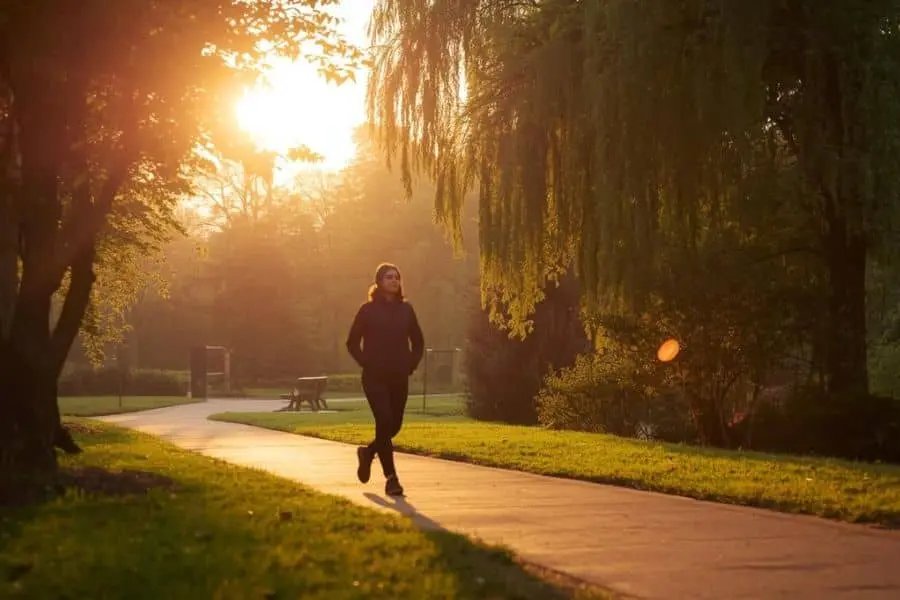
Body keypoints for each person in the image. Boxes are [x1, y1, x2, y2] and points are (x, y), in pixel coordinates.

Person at [346, 262, 424, 496]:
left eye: (397, 277)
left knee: (394, 425)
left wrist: (410, 364)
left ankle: (368, 452)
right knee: (384, 419)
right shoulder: (367, 310)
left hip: (399, 376)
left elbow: (418, 342)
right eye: (389, 277)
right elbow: (352, 343)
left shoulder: (406, 310)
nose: (394, 280)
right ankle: (392, 478)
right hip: (375, 378)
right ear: (379, 282)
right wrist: (367, 363)